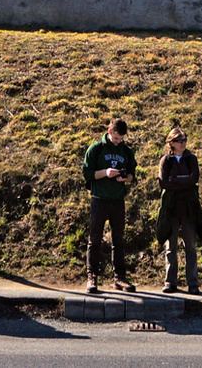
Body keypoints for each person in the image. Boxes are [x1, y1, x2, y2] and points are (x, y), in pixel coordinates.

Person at [81, 117, 137, 294]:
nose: (118, 141)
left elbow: (132, 175)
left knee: (118, 240)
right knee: (95, 239)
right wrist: (105, 173)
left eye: (121, 139)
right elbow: (87, 173)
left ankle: (119, 278)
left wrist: (125, 177)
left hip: (117, 200)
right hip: (99, 199)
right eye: (115, 138)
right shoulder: (96, 149)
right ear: (109, 132)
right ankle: (92, 277)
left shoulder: (126, 151)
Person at [156, 127, 202, 294]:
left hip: (189, 209)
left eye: (184, 140)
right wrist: (183, 182)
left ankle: (193, 283)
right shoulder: (165, 161)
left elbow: (194, 178)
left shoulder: (191, 159)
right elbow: (163, 183)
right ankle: (170, 282)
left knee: (190, 246)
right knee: (171, 247)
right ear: (172, 143)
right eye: (180, 140)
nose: (183, 143)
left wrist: (175, 181)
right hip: (171, 209)